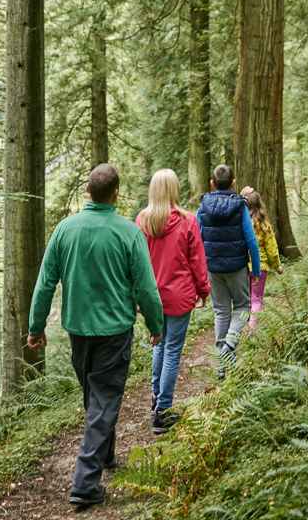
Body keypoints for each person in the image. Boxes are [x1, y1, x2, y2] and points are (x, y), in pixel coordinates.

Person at [27, 164, 163, 507]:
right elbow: (146, 288)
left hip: (78, 331)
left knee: (97, 397)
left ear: (88, 191)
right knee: (102, 400)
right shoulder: (128, 233)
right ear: (115, 193)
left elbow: (45, 284)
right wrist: (156, 326)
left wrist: (36, 327)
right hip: (115, 331)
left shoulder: (64, 230)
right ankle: (85, 484)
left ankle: (105, 455)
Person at [136, 169, 210, 434]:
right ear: (175, 189)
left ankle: (156, 399)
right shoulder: (188, 221)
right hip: (179, 296)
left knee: (160, 345)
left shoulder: (142, 221)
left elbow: (137, 263)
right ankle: (163, 412)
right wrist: (204, 290)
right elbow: (197, 261)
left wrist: (136, 296)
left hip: (152, 298)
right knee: (171, 351)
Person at [196, 165, 261, 379]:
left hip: (213, 268)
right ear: (233, 183)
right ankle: (230, 344)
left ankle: (221, 367)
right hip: (237, 267)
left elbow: (196, 238)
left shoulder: (203, 206)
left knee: (221, 312)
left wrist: (198, 270)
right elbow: (251, 240)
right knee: (243, 305)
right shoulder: (240, 206)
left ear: (212, 184)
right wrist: (256, 269)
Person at [239, 187, 283, 329]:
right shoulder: (264, 226)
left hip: (243, 266)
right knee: (256, 300)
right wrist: (277, 266)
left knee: (244, 300)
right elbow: (272, 250)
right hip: (261, 267)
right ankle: (252, 330)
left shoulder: (240, 224)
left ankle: (240, 328)